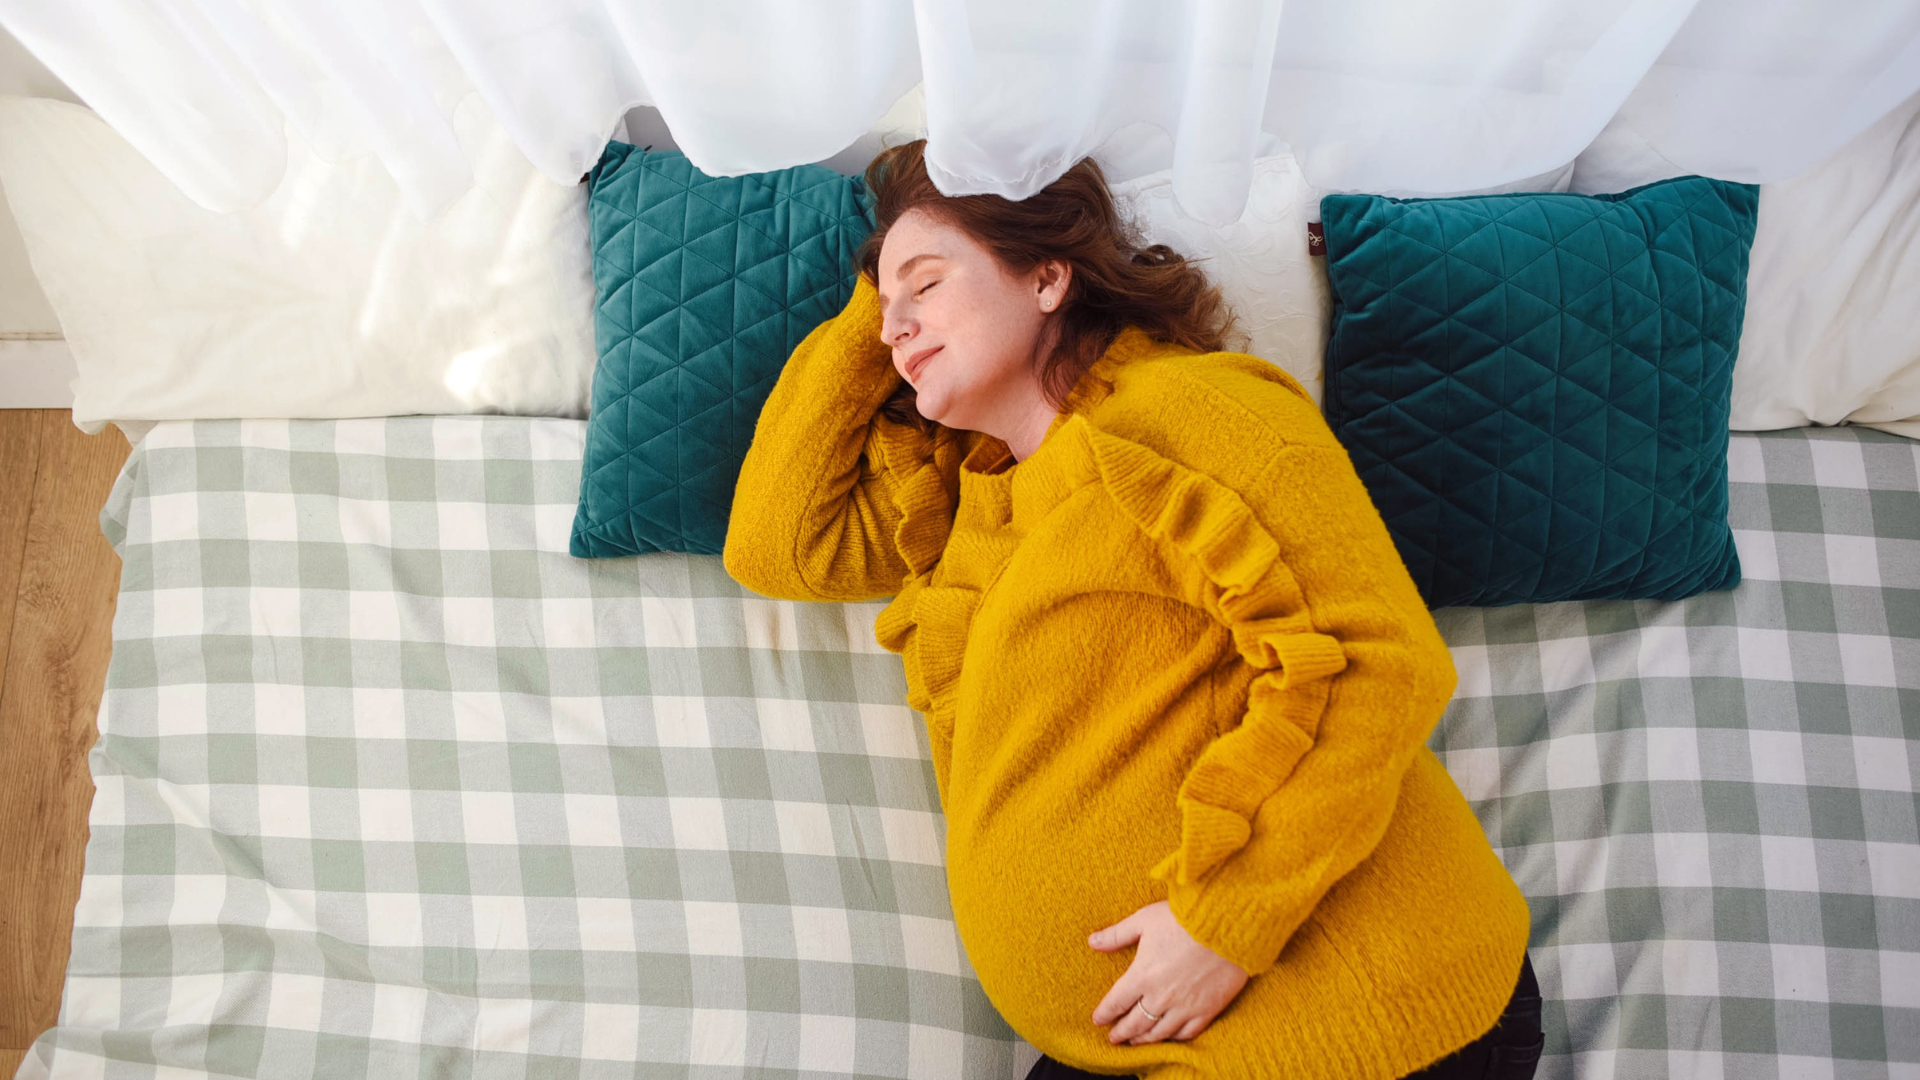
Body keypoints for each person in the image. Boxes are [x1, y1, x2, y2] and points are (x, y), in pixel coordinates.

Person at [723, 139, 1544, 1080]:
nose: (894, 330)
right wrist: (889, 290)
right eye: (885, 306)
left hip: (1344, 1010)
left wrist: (1223, 922)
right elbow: (777, 543)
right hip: (1158, 1037)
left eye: (929, 285)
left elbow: (1376, 659)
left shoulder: (1193, 408)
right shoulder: (966, 507)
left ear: (1047, 279)